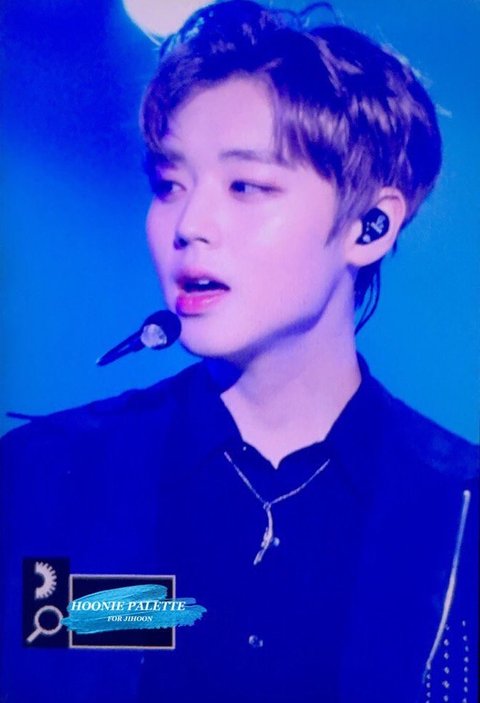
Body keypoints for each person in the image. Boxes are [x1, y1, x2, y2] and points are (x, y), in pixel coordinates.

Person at [1, 1, 477, 702]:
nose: (190, 224)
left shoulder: (459, 511)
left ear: (371, 225)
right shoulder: (46, 476)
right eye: (170, 185)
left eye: (246, 186)